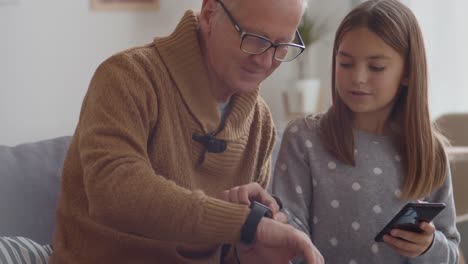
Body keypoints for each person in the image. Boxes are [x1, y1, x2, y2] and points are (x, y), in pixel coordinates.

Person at [49, 0, 325, 263]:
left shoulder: (260, 123)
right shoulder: (126, 77)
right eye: (254, 38)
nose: (266, 62)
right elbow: (112, 191)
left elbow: (230, 249)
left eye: (282, 46)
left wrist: (250, 252)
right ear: (209, 14)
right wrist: (244, 224)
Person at [272, 0, 461, 263]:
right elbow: (287, 231)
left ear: (407, 72)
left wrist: (428, 246)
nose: (358, 77)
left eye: (376, 67)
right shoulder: (304, 139)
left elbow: (452, 252)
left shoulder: (430, 152)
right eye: (346, 63)